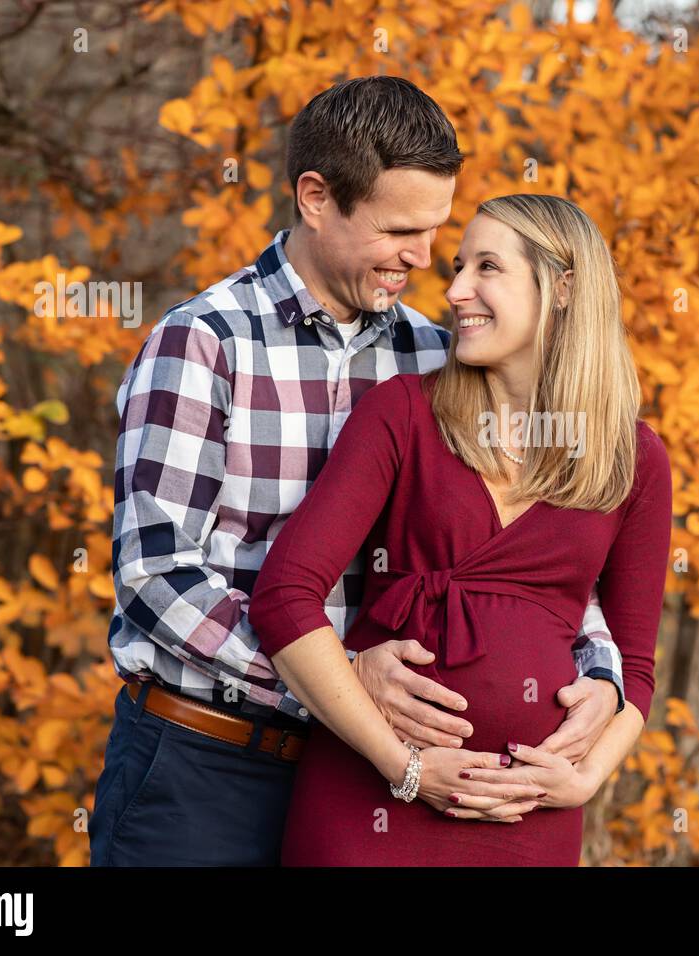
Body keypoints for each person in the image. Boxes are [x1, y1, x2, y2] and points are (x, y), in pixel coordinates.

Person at [90, 78, 628, 867]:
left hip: (365, 786)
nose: (424, 258)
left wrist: (602, 681)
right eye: (400, 230)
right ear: (316, 196)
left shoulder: (439, 357)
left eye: (436, 230)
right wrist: (337, 677)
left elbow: (529, 557)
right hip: (204, 762)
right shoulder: (205, 343)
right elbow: (156, 575)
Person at [250, 194, 672, 866]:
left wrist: (586, 778)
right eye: (455, 266)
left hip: (527, 818)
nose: (454, 291)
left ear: (562, 288)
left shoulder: (633, 460)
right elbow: (283, 596)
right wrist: (405, 766)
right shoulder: (403, 415)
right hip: (371, 804)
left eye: (486, 268)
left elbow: (638, 666)